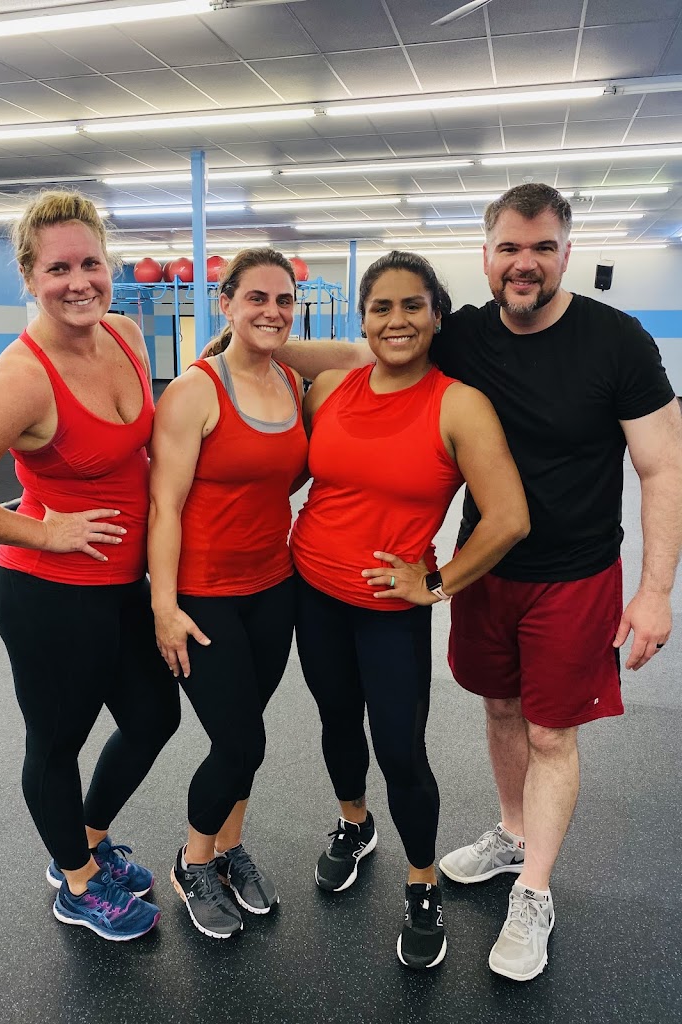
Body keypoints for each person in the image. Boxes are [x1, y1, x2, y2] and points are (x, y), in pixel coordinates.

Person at [276, 184, 682, 982]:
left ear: (566, 253)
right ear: (486, 255)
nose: (525, 264)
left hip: (574, 573)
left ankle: (534, 892)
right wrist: (248, 352)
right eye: (509, 249)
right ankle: (511, 833)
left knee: (551, 733)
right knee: (500, 708)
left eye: (542, 248)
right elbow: (365, 352)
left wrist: (656, 589)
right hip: (487, 573)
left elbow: (662, 465)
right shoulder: (462, 335)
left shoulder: (617, 342)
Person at [0, 191, 179, 942]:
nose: (78, 282)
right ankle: (77, 883)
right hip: (49, 594)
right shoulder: (25, 378)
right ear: (30, 277)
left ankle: (86, 840)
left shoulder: (124, 333)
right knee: (58, 743)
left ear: (109, 266)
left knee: (153, 718)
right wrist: (42, 531)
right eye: (58, 268)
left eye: (91, 263)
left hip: (122, 586)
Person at [290, 251, 530, 970]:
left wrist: (436, 583)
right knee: (337, 721)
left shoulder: (458, 404)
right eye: (381, 308)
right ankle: (354, 824)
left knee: (400, 748)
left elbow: (509, 517)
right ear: (362, 321)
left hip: (389, 609)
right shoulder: (329, 389)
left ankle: (421, 881)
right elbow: (285, 462)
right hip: (311, 590)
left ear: (436, 317)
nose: (397, 320)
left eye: (412, 306)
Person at [148, 248, 308, 940]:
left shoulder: (292, 383)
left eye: (283, 300)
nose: (272, 311)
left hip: (273, 587)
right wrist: (164, 606)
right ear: (227, 304)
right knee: (241, 741)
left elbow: (282, 477)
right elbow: (164, 506)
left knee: (245, 732)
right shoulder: (195, 391)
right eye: (257, 298)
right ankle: (193, 863)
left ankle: (229, 848)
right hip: (204, 594)